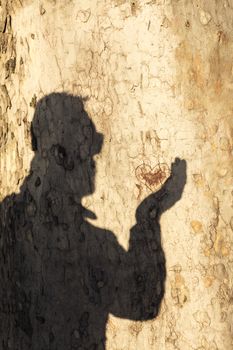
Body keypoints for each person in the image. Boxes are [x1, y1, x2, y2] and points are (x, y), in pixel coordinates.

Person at [0, 93, 186, 350]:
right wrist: (148, 219)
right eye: (90, 148)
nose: (94, 162)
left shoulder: (7, 218)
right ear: (60, 155)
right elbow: (142, 302)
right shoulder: (90, 246)